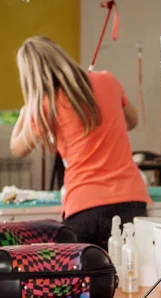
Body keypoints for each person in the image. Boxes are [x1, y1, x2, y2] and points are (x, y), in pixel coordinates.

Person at [10, 36, 151, 251]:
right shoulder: (108, 80)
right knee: (130, 279)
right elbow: (132, 121)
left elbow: (17, 148)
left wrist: (28, 106)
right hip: (131, 200)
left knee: (84, 283)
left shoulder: (46, 104)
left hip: (85, 207)